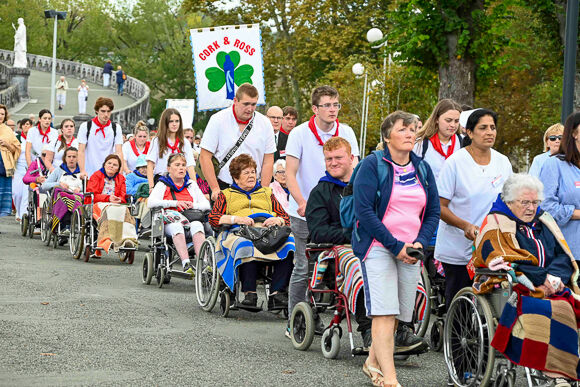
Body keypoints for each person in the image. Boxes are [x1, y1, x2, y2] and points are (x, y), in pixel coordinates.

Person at [352, 111, 440, 387]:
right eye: (403, 129)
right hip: (378, 246)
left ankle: (372, 362)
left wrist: (420, 243)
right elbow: (364, 211)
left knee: (402, 313)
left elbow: (433, 211)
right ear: (388, 136)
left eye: (413, 129)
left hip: (411, 249)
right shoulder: (371, 165)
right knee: (384, 311)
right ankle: (390, 378)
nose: (410, 134)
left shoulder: (422, 168)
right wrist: (394, 245)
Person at [472, 173, 580, 386]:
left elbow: (562, 254)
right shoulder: (496, 222)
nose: (531, 208)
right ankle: (555, 374)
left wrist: (554, 278)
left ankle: (562, 371)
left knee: (566, 307)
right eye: (525, 202)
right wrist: (541, 278)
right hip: (514, 287)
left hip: (551, 286)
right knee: (547, 311)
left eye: (535, 202)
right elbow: (502, 258)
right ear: (509, 202)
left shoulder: (543, 222)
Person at [285, 85, 360, 329]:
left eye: (335, 104)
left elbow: (356, 169)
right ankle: (295, 320)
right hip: (306, 207)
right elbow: (290, 172)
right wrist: (301, 201)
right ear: (315, 109)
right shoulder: (299, 133)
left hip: (340, 205)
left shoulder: (346, 131)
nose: (332, 110)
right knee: (303, 265)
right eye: (327, 105)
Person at [435, 108, 513, 310]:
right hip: (459, 247)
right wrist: (465, 225)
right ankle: (454, 340)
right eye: (483, 128)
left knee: (492, 302)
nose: (490, 132)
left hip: (493, 247)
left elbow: (510, 201)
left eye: (493, 128)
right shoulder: (455, 163)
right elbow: (439, 206)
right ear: (469, 132)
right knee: (460, 303)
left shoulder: (502, 162)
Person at [305, 137, 372, 349]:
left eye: (338, 158)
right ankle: (368, 330)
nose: (333, 163)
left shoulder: (367, 186)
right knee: (360, 269)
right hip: (333, 254)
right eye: (329, 159)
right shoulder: (320, 192)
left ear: (352, 158)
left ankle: (404, 329)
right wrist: (353, 234)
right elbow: (318, 231)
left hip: (370, 246)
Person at [208, 154, 294, 309]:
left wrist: (278, 220)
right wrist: (236, 219)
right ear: (236, 177)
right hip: (238, 232)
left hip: (267, 232)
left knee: (290, 244)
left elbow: (285, 218)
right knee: (245, 245)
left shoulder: (267, 193)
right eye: (246, 172)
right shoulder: (226, 194)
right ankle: (250, 293)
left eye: (253, 172)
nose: (251, 175)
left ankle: (277, 293)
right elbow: (214, 218)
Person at [200, 83, 276, 198]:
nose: (250, 109)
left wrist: (264, 190)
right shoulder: (218, 120)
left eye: (253, 104)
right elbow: (205, 156)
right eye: (246, 104)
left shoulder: (265, 123)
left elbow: (268, 160)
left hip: (255, 187)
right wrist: (215, 188)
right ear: (235, 100)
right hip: (224, 186)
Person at [148, 153, 211, 274]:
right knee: (177, 226)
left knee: (198, 224)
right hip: (171, 221)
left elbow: (206, 205)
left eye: (183, 165)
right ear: (168, 168)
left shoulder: (191, 184)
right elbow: (151, 202)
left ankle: (204, 264)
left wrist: (193, 205)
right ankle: (186, 263)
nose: (181, 168)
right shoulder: (162, 184)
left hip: (190, 220)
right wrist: (175, 203)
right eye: (177, 165)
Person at [540, 111, 580, 263]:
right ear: (574, 133)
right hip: (568, 253)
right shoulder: (554, 164)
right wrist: (576, 213)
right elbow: (545, 206)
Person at [86, 154, 137, 255]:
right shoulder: (96, 176)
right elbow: (91, 195)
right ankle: (105, 240)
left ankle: (128, 239)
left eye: (115, 165)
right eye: (109, 163)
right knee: (108, 210)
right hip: (98, 203)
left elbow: (123, 195)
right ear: (104, 165)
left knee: (126, 211)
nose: (111, 166)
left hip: (115, 204)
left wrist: (119, 199)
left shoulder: (121, 178)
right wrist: (108, 198)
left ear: (118, 168)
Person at [146, 108, 196, 190]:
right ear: (165, 123)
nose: (174, 124)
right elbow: (150, 165)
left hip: (180, 181)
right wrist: (151, 187)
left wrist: (195, 187)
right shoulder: (157, 141)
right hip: (162, 181)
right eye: (171, 121)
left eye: (177, 121)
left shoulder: (185, 142)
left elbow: (190, 166)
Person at [413, 99, 462, 180]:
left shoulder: (461, 142)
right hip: (429, 191)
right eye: (448, 120)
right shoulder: (421, 143)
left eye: (456, 121)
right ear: (436, 119)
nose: (453, 125)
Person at [77, 97, 124, 178]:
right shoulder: (86, 126)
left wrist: (120, 172)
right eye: (103, 111)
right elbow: (81, 151)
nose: (106, 114)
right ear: (97, 111)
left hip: (109, 173)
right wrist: (82, 170)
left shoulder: (116, 128)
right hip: (90, 172)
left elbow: (119, 152)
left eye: (108, 111)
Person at [41, 147, 83, 234]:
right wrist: (59, 184)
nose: (71, 159)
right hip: (61, 197)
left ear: (78, 158)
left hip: (77, 196)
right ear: (65, 158)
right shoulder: (59, 170)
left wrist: (80, 188)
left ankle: (74, 223)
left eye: (74, 157)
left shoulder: (82, 171)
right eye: (69, 156)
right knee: (63, 198)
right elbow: (44, 186)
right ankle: (64, 225)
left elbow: (88, 186)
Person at [0, 104, 21, 228]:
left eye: (2, 114)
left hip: (3, 166)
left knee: (1, 196)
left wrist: (7, 144)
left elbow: (17, 148)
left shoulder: (8, 130)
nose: (0, 116)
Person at [12, 118, 32, 221]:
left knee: (26, 193)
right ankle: (18, 211)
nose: (26, 126)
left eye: (28, 124)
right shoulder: (17, 138)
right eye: (24, 124)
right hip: (18, 168)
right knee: (16, 193)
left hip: (29, 168)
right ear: (21, 127)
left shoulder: (33, 139)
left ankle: (23, 215)